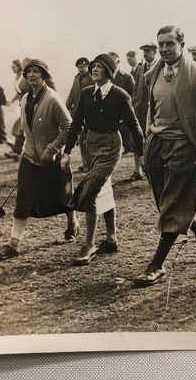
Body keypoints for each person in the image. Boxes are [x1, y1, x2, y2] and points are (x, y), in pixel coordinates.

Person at [133, 25, 196, 287]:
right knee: (164, 203)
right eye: (160, 45)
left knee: (171, 205)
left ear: (182, 43)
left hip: (184, 146)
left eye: (169, 44)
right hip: (157, 145)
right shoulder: (154, 72)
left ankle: (156, 265)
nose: (164, 50)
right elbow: (152, 108)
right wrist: (149, 136)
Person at [0, 59, 79, 261]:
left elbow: (68, 127)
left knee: (63, 195)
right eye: (28, 72)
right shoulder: (26, 98)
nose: (31, 75)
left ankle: (73, 224)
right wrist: (24, 149)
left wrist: (53, 149)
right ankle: (13, 245)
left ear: (44, 75)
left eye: (36, 71)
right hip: (29, 158)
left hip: (52, 159)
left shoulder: (53, 99)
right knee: (23, 199)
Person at [61, 53, 144, 266]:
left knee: (90, 190)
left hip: (111, 146)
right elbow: (77, 123)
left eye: (100, 67)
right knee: (103, 187)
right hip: (91, 145)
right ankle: (111, 238)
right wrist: (67, 151)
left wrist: (142, 153)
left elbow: (133, 124)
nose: (94, 69)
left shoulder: (120, 95)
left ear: (109, 71)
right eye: (93, 66)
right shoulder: (87, 93)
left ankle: (89, 245)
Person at [130, 41, 159, 180]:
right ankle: (138, 170)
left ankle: (153, 169)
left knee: (153, 139)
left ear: (155, 52)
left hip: (155, 109)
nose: (146, 54)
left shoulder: (161, 66)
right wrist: (135, 100)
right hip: (140, 109)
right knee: (137, 137)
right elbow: (136, 87)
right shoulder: (141, 68)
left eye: (148, 51)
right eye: (144, 51)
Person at [65, 57, 93, 172]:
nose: (80, 69)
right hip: (78, 113)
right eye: (79, 67)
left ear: (87, 66)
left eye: (82, 67)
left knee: (88, 139)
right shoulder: (76, 78)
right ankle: (85, 163)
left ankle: (90, 164)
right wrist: (65, 108)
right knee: (81, 139)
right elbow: (72, 95)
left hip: (89, 113)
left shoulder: (92, 78)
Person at [108, 52, 135, 154]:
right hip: (110, 112)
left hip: (124, 111)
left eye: (113, 60)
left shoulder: (127, 77)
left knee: (125, 135)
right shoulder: (106, 78)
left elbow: (133, 95)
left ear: (118, 61)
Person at [5, 59, 31, 161]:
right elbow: (19, 92)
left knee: (20, 127)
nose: (12, 69)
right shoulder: (17, 77)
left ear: (19, 67)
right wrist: (12, 101)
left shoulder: (25, 76)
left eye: (14, 67)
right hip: (22, 104)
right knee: (19, 127)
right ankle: (17, 151)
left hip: (28, 104)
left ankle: (17, 151)